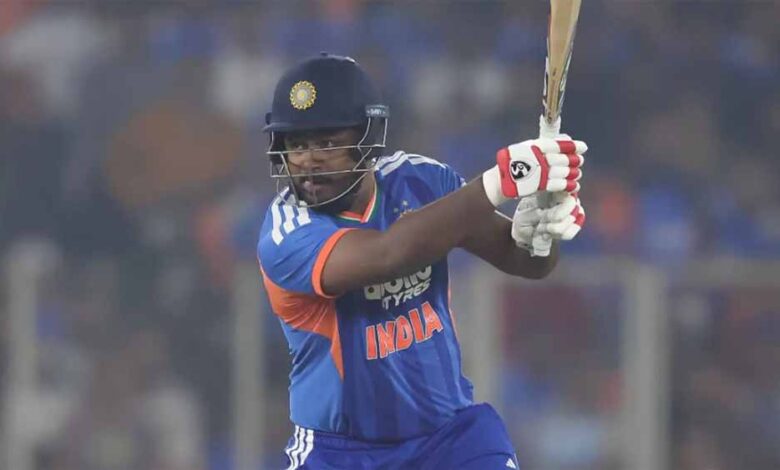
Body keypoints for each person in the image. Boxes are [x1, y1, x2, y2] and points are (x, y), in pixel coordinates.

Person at [257, 53, 586, 470]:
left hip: (451, 439)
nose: (308, 161)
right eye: (297, 145)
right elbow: (387, 254)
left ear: (367, 138)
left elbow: (528, 263)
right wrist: (501, 181)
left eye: (326, 143)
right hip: (341, 454)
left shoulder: (420, 180)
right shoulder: (285, 232)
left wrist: (541, 228)